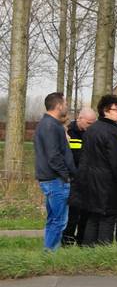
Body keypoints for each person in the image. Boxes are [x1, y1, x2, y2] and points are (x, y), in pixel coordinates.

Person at [71, 95, 117, 246]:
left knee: (93, 217)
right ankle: (104, 255)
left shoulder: (92, 130)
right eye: (116, 109)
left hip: (90, 183)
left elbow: (84, 159)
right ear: (105, 111)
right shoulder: (113, 132)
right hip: (108, 185)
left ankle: (88, 252)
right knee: (107, 218)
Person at [34, 92, 75, 252]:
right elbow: (53, 156)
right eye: (65, 103)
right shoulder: (50, 126)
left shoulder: (48, 124)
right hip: (55, 180)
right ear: (58, 106)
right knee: (59, 220)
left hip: (52, 179)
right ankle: (50, 254)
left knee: (54, 219)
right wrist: (66, 176)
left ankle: (49, 251)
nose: (67, 106)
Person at [63, 107, 97, 246]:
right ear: (80, 118)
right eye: (89, 123)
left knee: (86, 213)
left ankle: (82, 242)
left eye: (93, 123)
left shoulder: (93, 134)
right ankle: (67, 242)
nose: (91, 126)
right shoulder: (68, 133)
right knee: (72, 214)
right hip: (72, 180)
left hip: (89, 180)